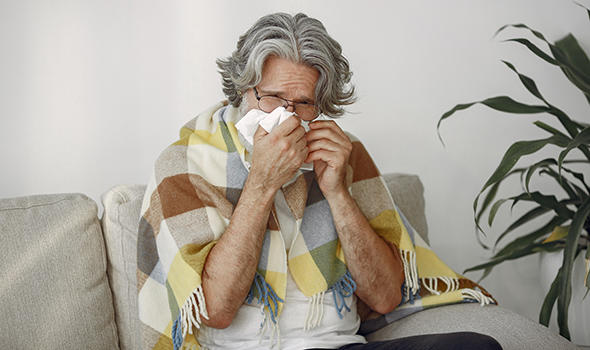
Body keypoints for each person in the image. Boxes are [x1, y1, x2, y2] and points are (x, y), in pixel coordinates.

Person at [137, 12, 503, 350]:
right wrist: (262, 185)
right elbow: (216, 309)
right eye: (273, 98)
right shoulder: (183, 164)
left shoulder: (343, 153)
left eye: (303, 103)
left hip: (337, 345)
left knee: (476, 346)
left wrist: (337, 191)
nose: (287, 117)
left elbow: (385, 296)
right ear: (243, 89)